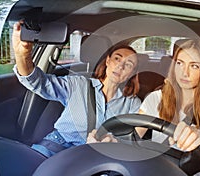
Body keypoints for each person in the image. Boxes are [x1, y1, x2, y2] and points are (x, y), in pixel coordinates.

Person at [12, 21, 141, 157]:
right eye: (117, 59)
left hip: (101, 155)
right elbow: (38, 82)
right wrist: (22, 55)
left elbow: (133, 139)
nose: (120, 66)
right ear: (108, 61)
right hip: (58, 147)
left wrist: (114, 142)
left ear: (132, 72)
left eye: (129, 64)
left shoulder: (133, 103)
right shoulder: (78, 83)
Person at [136, 38, 200, 170]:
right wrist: (111, 139)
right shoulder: (155, 98)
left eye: (194, 66)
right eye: (180, 63)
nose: (185, 72)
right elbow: (133, 135)